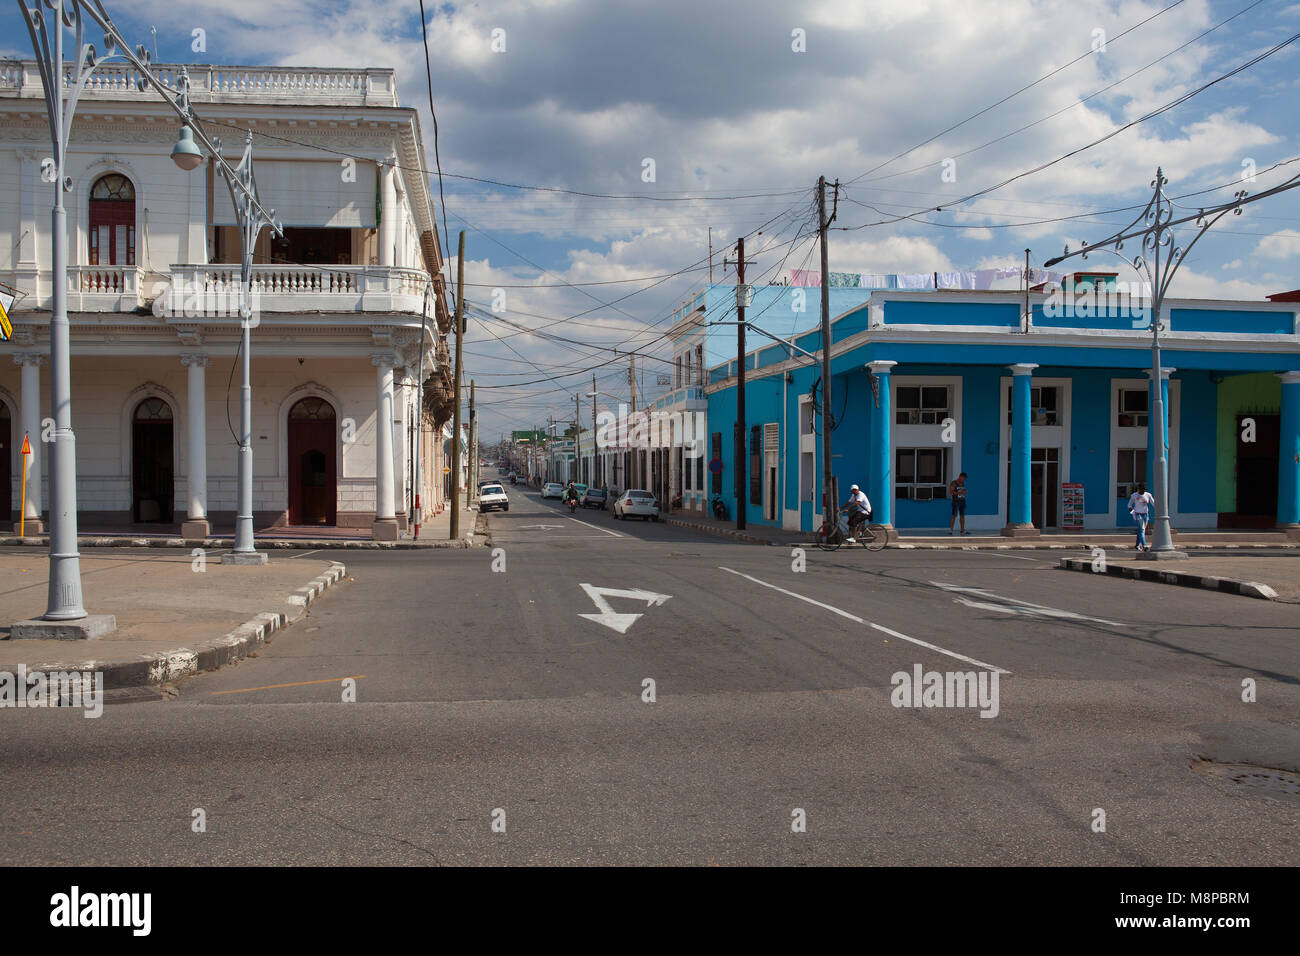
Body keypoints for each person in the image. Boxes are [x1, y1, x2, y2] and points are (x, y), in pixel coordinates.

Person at [1128, 482, 1155, 551]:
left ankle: (1137, 545)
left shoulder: (1148, 495)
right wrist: (1133, 512)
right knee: (1142, 530)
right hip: (1138, 514)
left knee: (1141, 530)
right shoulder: (1134, 495)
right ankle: (1144, 545)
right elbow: (1129, 505)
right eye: (1141, 489)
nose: (1142, 491)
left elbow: (1153, 503)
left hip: (1145, 514)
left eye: (1144, 489)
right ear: (1138, 489)